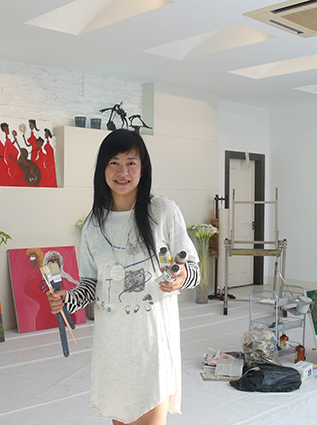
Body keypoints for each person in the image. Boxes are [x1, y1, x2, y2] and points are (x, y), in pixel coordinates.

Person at [48, 129, 200, 425]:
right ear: (102, 169)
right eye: (114, 163)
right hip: (113, 345)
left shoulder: (163, 212)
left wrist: (181, 276)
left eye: (131, 163)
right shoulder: (93, 224)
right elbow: (90, 284)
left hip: (152, 343)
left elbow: (193, 268)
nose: (123, 172)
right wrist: (68, 300)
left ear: (143, 168)